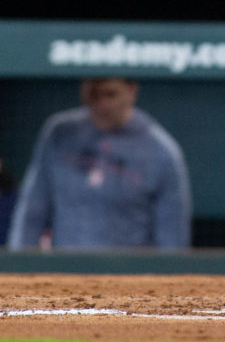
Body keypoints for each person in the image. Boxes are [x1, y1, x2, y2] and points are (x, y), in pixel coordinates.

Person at [7, 77, 191, 250]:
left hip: (128, 277)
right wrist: (16, 269)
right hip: (64, 275)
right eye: (93, 94)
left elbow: (172, 241)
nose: (101, 104)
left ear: (132, 91)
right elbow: (31, 212)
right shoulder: (59, 134)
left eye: (110, 94)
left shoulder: (162, 151)